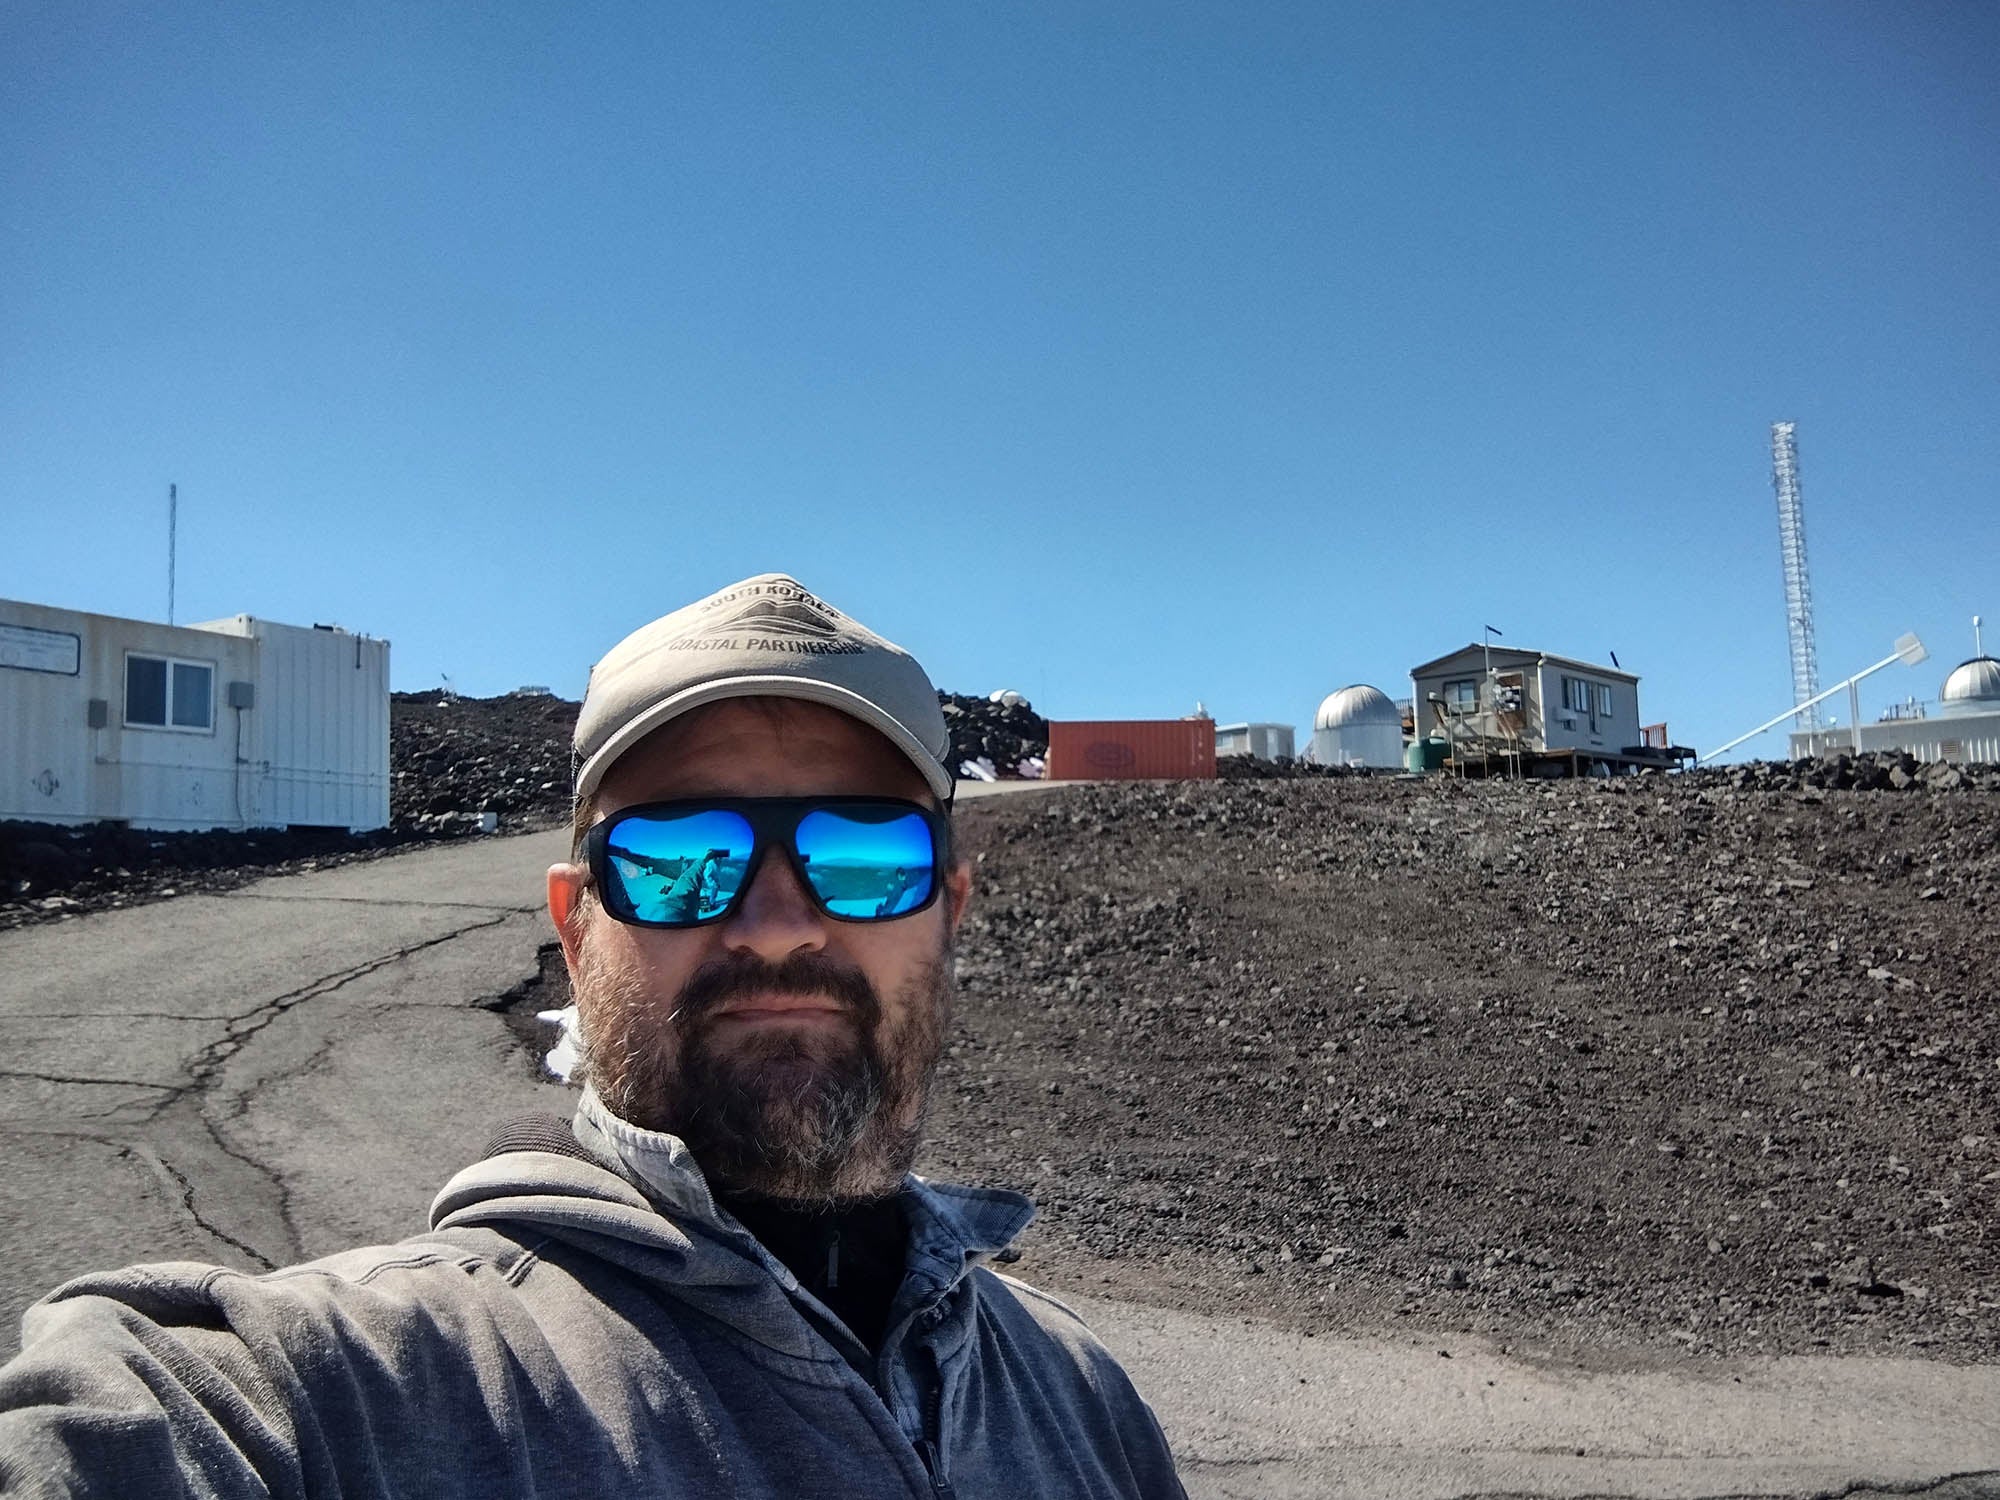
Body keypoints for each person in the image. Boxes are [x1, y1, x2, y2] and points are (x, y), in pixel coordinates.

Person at [0, 572, 1187, 1499]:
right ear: (575, 927)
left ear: (948, 910)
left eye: (863, 856)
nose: (778, 925)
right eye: (679, 859)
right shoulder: (352, 1391)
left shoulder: (1080, 1401)